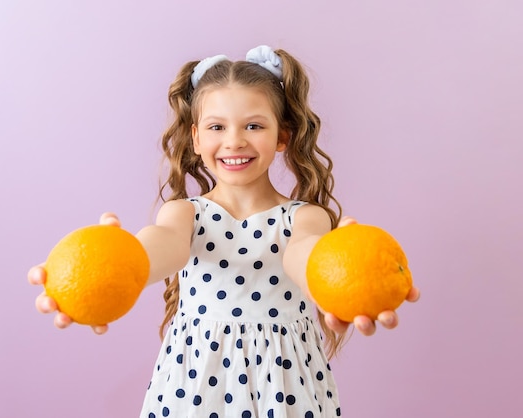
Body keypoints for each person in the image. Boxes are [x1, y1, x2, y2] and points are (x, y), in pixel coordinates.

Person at [28, 45, 420, 417]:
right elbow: (163, 245)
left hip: (283, 390)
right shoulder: (185, 214)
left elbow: (305, 256)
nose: (234, 140)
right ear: (196, 138)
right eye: (217, 126)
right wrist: (117, 262)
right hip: (197, 389)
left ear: (282, 136)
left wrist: (338, 274)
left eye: (253, 125)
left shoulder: (304, 218)